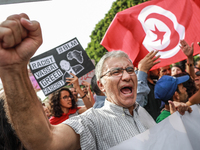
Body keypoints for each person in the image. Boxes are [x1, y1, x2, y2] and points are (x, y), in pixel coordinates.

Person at [0, 13, 192, 150]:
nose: (126, 76)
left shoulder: (142, 112)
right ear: (101, 85)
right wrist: (13, 71)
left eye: (130, 70)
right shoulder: (92, 122)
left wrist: (175, 121)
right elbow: (46, 143)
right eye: (116, 71)